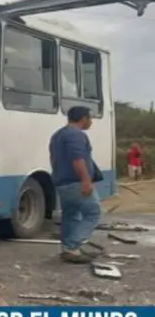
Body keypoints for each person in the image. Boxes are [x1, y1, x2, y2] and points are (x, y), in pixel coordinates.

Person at [49, 106, 103, 264]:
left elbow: (55, 159)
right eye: (90, 118)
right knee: (93, 212)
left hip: (62, 182)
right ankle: (72, 247)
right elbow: (77, 159)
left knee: (70, 215)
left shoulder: (58, 135)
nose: (91, 122)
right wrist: (86, 180)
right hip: (76, 182)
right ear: (84, 118)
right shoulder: (77, 135)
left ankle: (69, 249)